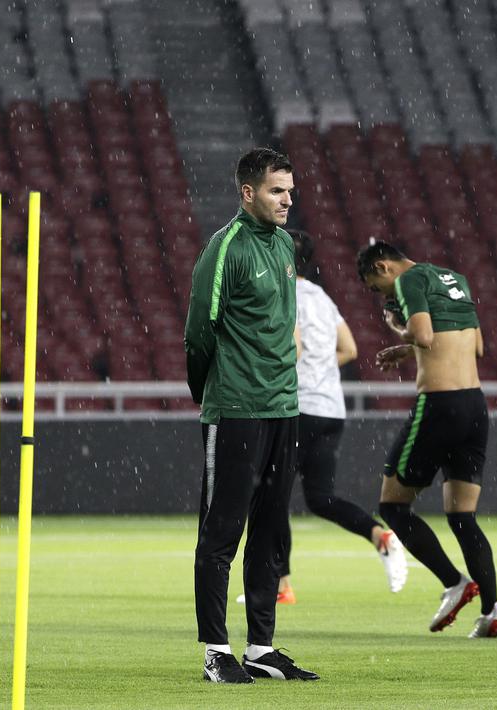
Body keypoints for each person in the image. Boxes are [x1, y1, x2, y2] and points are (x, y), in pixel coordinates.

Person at [184, 147, 318, 683]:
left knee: (269, 532)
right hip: (237, 410)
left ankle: (261, 649)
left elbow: (283, 330)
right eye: (276, 190)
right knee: (221, 534)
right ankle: (217, 650)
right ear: (247, 193)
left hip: (284, 408)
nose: (288, 199)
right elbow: (198, 331)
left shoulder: (285, 244)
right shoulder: (224, 249)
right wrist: (210, 394)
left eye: (289, 190)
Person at [357, 241, 497, 638]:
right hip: (475, 405)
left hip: (440, 405)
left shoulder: (408, 281)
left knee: (391, 506)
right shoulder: (453, 278)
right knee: (462, 517)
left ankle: (453, 582)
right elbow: (475, 345)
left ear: (384, 266)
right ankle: (493, 609)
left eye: (377, 286)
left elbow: (423, 334)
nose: (383, 295)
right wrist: (408, 350)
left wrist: (397, 327)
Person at [269, 230, 408, 600]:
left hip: (297, 408)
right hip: (331, 409)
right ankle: (378, 534)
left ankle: (280, 584)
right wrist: (321, 370)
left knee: (271, 494)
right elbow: (348, 348)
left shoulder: (282, 294)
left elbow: (293, 349)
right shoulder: (321, 296)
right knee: (320, 498)